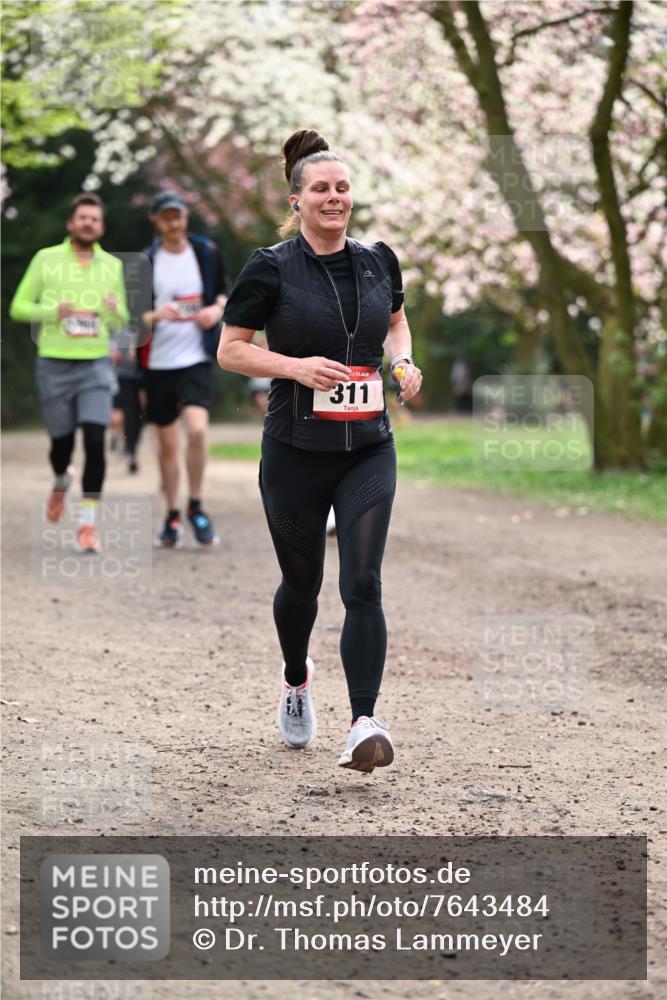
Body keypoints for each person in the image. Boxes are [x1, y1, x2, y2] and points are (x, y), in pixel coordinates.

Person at [218, 129, 422, 773]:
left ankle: (364, 721)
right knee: (301, 584)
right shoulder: (270, 266)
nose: (334, 198)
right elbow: (231, 349)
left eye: (342, 188)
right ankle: (296, 678)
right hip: (295, 448)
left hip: (367, 446)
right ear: (297, 199)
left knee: (362, 582)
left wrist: (404, 361)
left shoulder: (378, 260)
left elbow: (393, 321)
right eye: (321, 189)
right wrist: (295, 367)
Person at [9, 193, 128, 552]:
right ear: (70, 223)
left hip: (94, 364)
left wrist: (112, 310)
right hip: (54, 363)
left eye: (94, 219)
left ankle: (87, 525)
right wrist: (51, 311)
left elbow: (121, 319)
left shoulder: (112, 266)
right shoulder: (46, 260)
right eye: (83, 218)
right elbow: (18, 307)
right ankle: (62, 478)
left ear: (102, 227)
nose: (88, 223)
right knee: (61, 445)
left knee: (95, 440)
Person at [139, 191, 228, 547]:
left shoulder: (205, 251)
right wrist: (159, 314)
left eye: (179, 216)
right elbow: (132, 319)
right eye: (167, 218)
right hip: (158, 362)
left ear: (186, 217)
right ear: (156, 221)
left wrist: (216, 311)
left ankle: (196, 505)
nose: (174, 223)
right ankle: (172, 514)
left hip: (196, 358)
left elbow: (222, 292)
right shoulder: (146, 261)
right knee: (166, 444)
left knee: (197, 430)